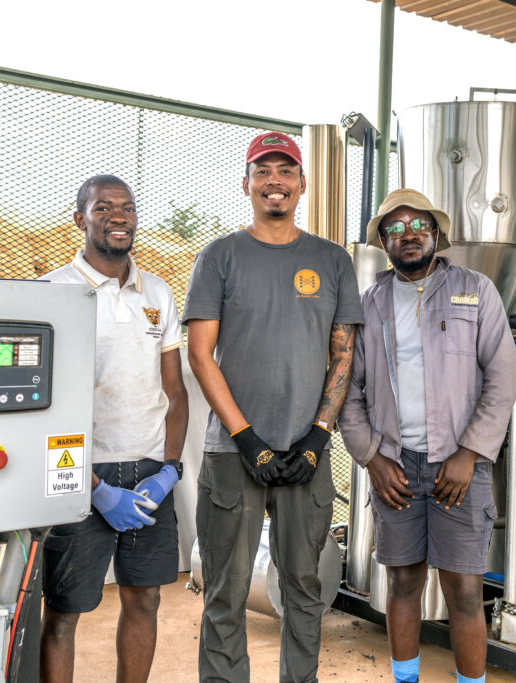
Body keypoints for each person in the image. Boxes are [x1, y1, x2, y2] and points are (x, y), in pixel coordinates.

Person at [183, 131, 364, 683]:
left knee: (305, 590)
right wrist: (246, 439)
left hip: (305, 455)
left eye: (285, 171)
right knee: (225, 591)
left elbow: (343, 356)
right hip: (231, 453)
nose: (274, 181)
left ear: (302, 184)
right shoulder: (220, 255)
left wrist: (316, 437)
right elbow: (200, 354)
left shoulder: (332, 260)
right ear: (246, 184)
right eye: (263, 171)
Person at [338, 188, 516, 683]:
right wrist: (372, 458)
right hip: (395, 466)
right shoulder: (368, 305)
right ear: (383, 243)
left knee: (463, 589)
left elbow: (502, 379)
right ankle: (406, 679)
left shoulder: (475, 290)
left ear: (435, 233)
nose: (408, 234)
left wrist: (469, 453)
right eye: (394, 229)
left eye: (418, 225)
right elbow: (348, 394)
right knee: (403, 583)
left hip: (459, 467)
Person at [39, 174, 189, 683]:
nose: (119, 216)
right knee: (65, 610)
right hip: (80, 472)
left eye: (127, 207)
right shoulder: (54, 292)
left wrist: (169, 470)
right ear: (80, 218)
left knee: (144, 598)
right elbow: (43, 408)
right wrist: (94, 487)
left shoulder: (158, 292)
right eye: (103, 208)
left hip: (147, 471)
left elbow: (175, 391)